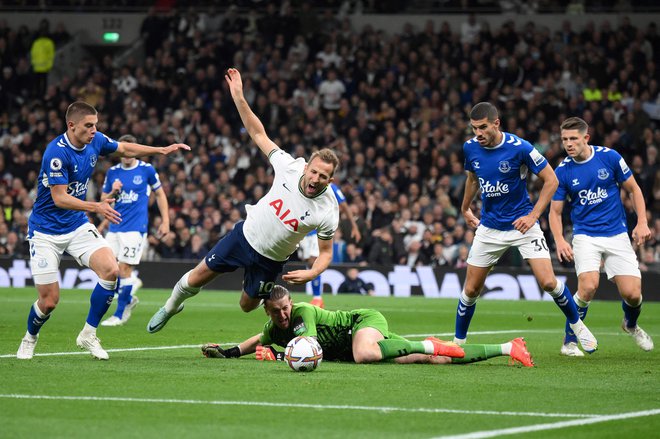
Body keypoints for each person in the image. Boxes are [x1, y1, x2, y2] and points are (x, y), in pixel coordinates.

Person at [146, 68, 341, 333]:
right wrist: (238, 96)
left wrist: (312, 273)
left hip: (270, 260)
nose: (316, 178)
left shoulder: (328, 209)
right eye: (315, 171)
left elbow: (326, 252)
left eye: (324, 176)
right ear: (307, 167)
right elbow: (258, 134)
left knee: (247, 306)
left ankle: (253, 283)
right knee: (199, 275)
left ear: (330, 181)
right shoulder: (289, 166)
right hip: (244, 236)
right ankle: (170, 306)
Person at [17, 101, 189, 360]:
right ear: (71, 126)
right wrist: (96, 206)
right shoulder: (56, 153)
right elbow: (59, 198)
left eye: (96, 124)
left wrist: (160, 150)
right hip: (45, 231)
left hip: (75, 224)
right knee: (49, 301)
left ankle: (88, 333)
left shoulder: (95, 140)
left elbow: (124, 147)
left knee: (111, 270)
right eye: (88, 126)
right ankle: (30, 337)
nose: (94, 130)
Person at [454, 102, 598, 353]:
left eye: (483, 127)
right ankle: (458, 345)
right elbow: (472, 178)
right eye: (474, 128)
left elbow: (551, 180)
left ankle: (577, 326)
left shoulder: (520, 148)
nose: (478, 133)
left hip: (523, 226)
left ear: (496, 124)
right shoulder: (470, 148)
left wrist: (533, 216)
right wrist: (465, 208)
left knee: (548, 282)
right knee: (470, 289)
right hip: (489, 228)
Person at [200, 285, 534, 367]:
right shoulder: (273, 327)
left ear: (291, 303)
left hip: (362, 324)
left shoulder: (304, 312)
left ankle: (428, 342)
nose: (283, 316)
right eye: (276, 313)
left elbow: (309, 348)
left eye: (285, 309)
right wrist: (228, 352)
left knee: (364, 354)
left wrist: (277, 356)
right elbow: (259, 338)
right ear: (268, 311)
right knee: (437, 361)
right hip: (361, 344)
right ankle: (508, 347)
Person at [549, 117, 654, 356]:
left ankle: (630, 325)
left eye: (573, 138)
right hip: (585, 235)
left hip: (616, 234)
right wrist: (559, 239)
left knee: (633, 294)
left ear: (586, 138)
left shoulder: (610, 157)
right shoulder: (562, 171)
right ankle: (569, 342)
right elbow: (554, 212)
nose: (568, 144)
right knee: (587, 286)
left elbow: (634, 189)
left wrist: (642, 222)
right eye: (565, 139)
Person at [98, 134, 171, 327]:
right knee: (106, 268)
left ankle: (120, 314)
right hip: (114, 227)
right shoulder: (113, 172)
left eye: (132, 150)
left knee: (123, 269)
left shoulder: (146, 170)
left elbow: (160, 194)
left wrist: (166, 222)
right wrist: (112, 191)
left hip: (135, 228)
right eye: (125, 151)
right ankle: (129, 294)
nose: (128, 154)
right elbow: (103, 199)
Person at [299, 182, 361, 308]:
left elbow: (344, 205)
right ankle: (317, 297)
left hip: (318, 228)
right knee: (308, 262)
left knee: (313, 261)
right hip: (304, 229)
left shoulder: (331, 187)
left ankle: (317, 298)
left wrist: (354, 226)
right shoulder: (306, 184)